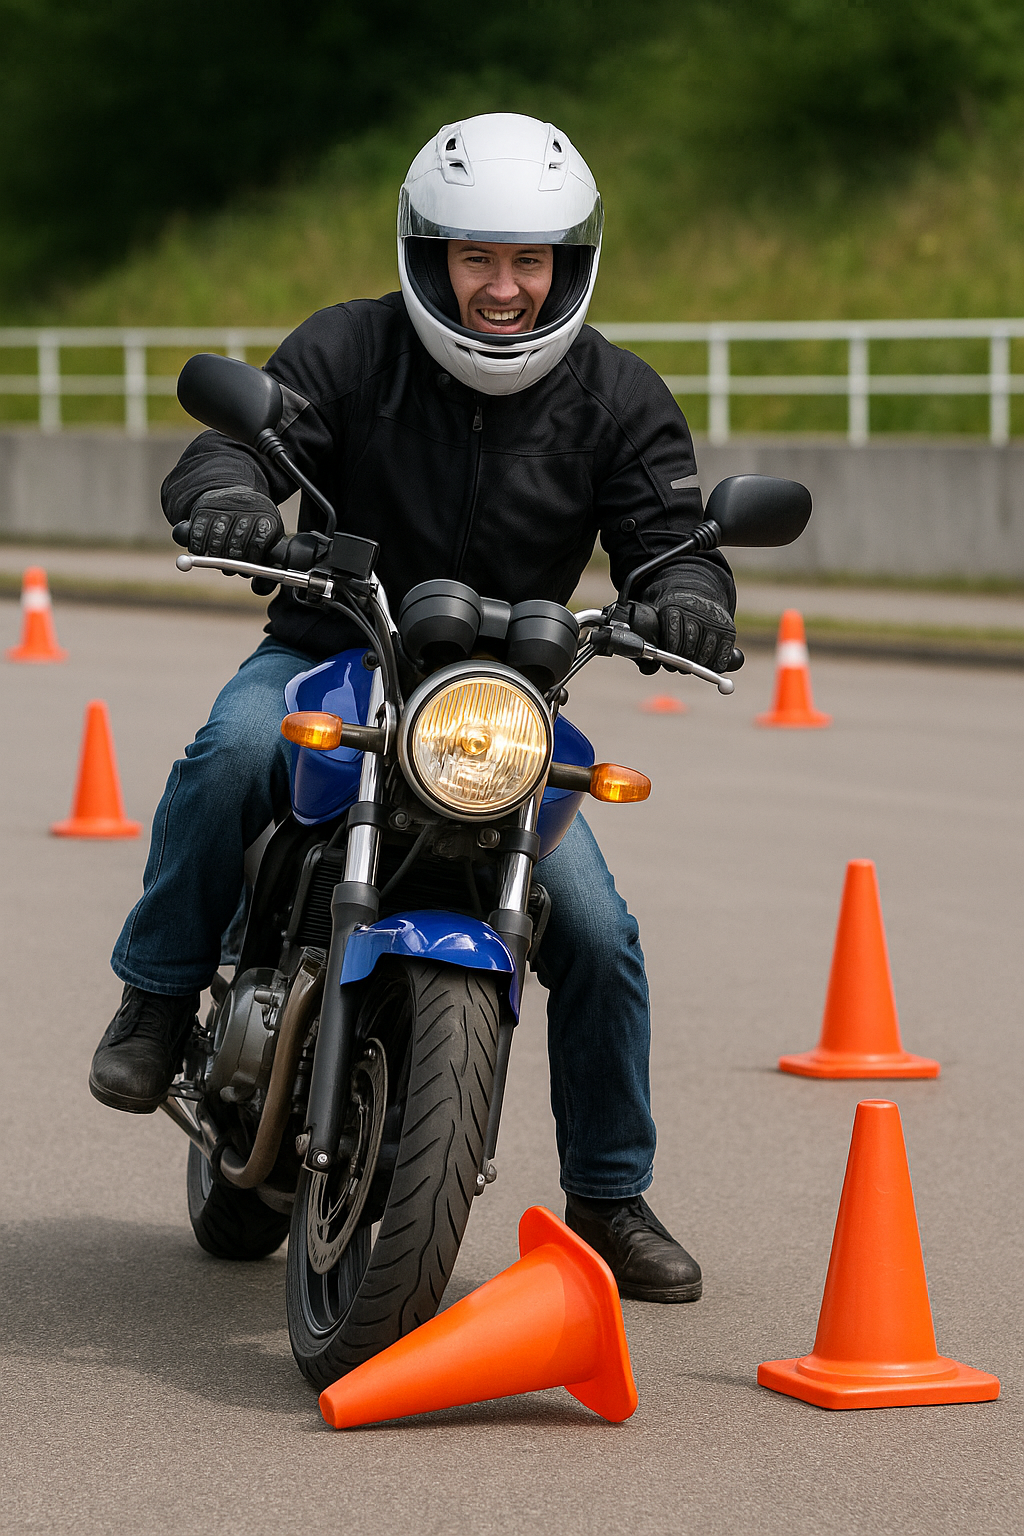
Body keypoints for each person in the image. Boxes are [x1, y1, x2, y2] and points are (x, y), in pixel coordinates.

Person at [90, 113, 737, 1304]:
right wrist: (232, 498)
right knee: (232, 749)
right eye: (476, 258)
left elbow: (674, 541)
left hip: (498, 709)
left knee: (599, 934)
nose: (503, 288)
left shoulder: (618, 396)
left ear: (568, 265)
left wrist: (691, 598)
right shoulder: (349, 348)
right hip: (332, 654)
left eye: (529, 260)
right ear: (430, 255)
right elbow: (236, 447)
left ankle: (608, 1193)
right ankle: (159, 993)